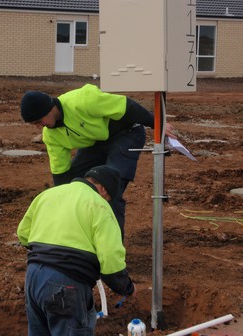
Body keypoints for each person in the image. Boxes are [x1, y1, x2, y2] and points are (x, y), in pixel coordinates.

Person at [20, 83, 174, 236]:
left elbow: (126, 106)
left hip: (126, 133)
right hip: (95, 143)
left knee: (109, 188)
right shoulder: (51, 135)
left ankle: (113, 246)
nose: (39, 127)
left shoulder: (82, 100)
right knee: (75, 183)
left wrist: (157, 123)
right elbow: (61, 173)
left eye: (39, 121)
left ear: (50, 108)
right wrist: (64, 199)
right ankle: (80, 237)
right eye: (34, 124)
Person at [17, 165, 136, 336]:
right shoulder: (100, 206)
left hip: (33, 278)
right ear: (102, 189)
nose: (107, 201)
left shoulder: (48, 195)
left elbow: (23, 234)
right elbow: (111, 261)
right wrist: (127, 288)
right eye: (109, 197)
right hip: (67, 284)